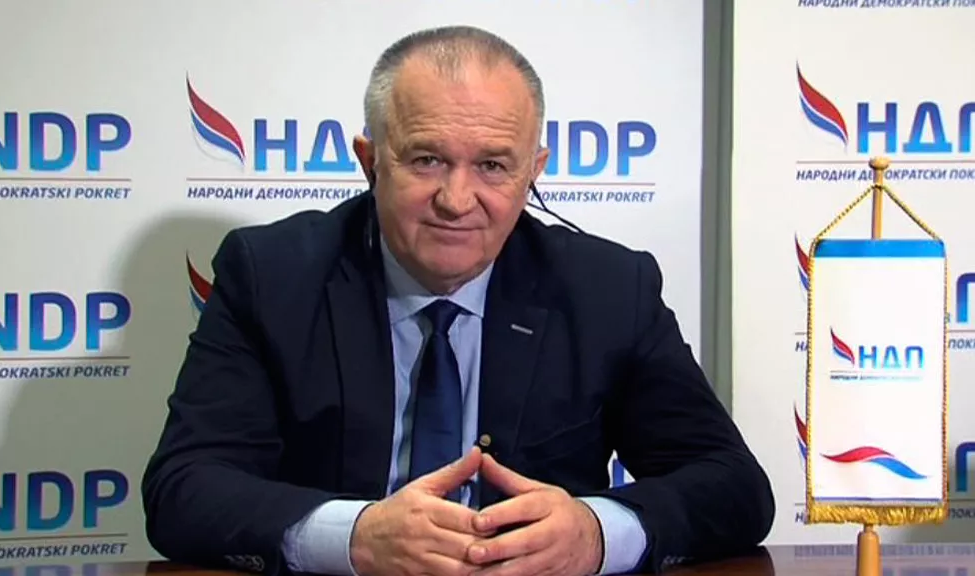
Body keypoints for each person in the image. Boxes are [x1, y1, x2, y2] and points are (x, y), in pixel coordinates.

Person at [141, 25, 774, 576]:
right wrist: (355, 537)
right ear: (370, 161)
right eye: (426, 160)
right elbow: (184, 489)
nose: (456, 199)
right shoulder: (272, 275)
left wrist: (597, 533)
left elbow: (732, 486)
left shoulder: (608, 288)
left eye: (494, 166)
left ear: (533, 171)